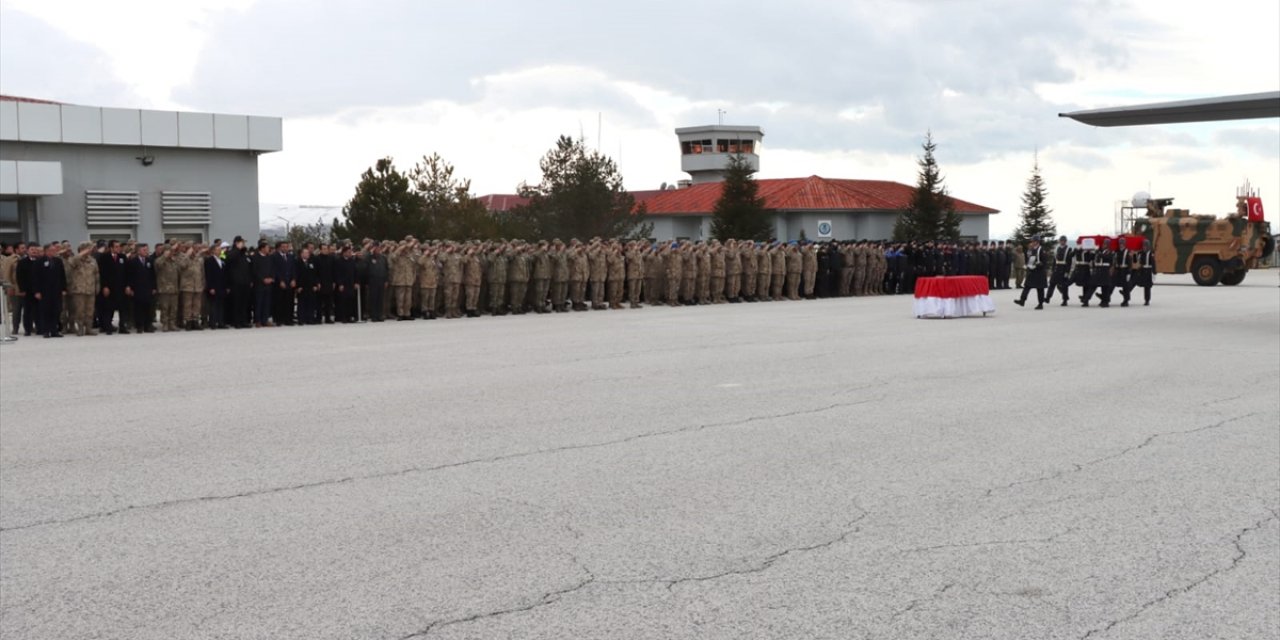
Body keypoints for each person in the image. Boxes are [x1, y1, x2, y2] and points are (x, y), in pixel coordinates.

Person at [33, 243, 67, 337]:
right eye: (52, 250)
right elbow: (35, 277)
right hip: (44, 291)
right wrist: (37, 291)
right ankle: (46, 331)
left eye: (54, 250)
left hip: (56, 290)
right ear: (46, 251)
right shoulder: (39, 262)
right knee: (45, 311)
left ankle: (54, 330)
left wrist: (64, 288)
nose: (54, 252)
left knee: (56, 310)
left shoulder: (58, 261)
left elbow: (62, 276)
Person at [125, 243, 157, 333]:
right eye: (144, 250)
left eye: (147, 250)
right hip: (137, 288)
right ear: (138, 251)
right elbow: (129, 276)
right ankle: (139, 325)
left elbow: (153, 275)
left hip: (148, 288)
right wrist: (129, 287)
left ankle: (148, 325)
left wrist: (154, 287)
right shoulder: (132, 262)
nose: (146, 252)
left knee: (148, 307)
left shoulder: (149, 261)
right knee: (138, 308)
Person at [1013, 238, 1046, 309]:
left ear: (1037, 242)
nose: (1033, 242)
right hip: (1033, 271)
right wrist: (1028, 265)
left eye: (1034, 241)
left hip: (1039, 272)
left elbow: (1044, 261)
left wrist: (1038, 264)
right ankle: (1022, 300)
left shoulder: (1041, 249)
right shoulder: (1034, 249)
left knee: (1040, 289)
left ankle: (1040, 304)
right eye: (1033, 241)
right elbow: (1032, 259)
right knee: (1027, 285)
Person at [204, 244, 229, 328]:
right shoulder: (209, 260)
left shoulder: (222, 260)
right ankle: (213, 323)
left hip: (222, 286)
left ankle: (221, 322)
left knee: (221, 305)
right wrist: (210, 287)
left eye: (220, 249)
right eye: (217, 249)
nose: (219, 251)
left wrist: (227, 287)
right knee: (213, 305)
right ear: (213, 251)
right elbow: (208, 275)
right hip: (214, 286)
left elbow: (225, 274)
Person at [250, 241, 275, 326]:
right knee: (258, 302)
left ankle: (265, 319)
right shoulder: (255, 257)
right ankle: (258, 320)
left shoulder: (270, 258)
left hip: (269, 284)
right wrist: (262, 279)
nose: (269, 249)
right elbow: (255, 271)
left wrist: (271, 278)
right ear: (262, 248)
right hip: (259, 284)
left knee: (267, 303)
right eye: (267, 248)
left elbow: (273, 269)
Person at [1125, 239, 1156, 306]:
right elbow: (1136, 261)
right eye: (1143, 246)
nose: (1144, 247)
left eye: (1145, 246)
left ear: (1148, 246)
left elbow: (1153, 264)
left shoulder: (1150, 254)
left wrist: (1154, 273)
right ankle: (1127, 291)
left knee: (1147, 287)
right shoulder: (1140, 253)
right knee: (1133, 281)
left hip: (1148, 271)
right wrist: (1134, 254)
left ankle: (1147, 300)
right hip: (1141, 271)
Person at [1045, 236, 1073, 307]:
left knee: (1064, 286)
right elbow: (1054, 260)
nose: (1062, 242)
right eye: (1061, 241)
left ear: (1065, 241)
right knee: (1052, 284)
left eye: (1063, 241)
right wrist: (1052, 269)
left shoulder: (1068, 249)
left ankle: (1065, 300)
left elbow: (1069, 262)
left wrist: (1067, 272)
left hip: (1063, 269)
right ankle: (1048, 297)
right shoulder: (1057, 248)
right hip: (1056, 269)